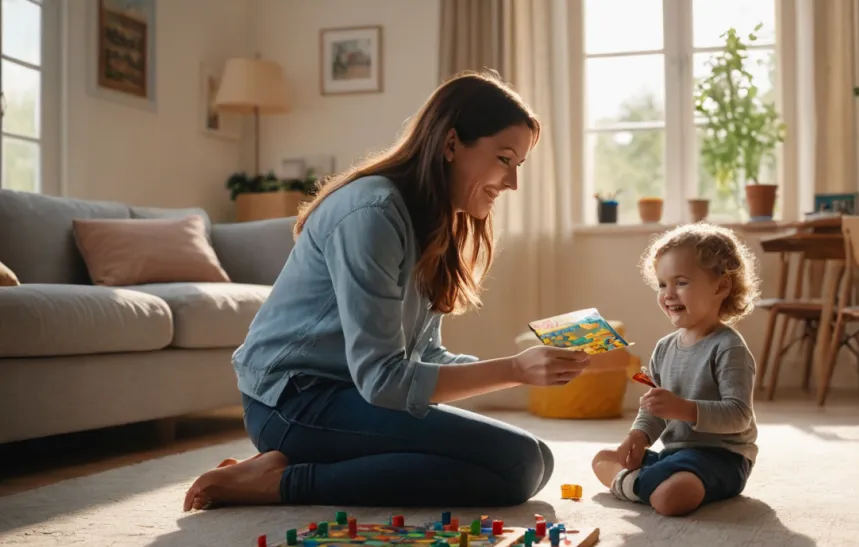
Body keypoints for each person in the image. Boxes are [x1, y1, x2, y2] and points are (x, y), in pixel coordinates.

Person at [183, 71, 592, 512]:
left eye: (518, 166)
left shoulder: (434, 221)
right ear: (451, 144)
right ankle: (282, 482)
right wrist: (514, 370)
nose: (512, 183)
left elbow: (424, 357)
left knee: (531, 460)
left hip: (351, 399)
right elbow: (384, 381)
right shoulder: (373, 213)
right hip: (293, 403)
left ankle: (280, 467)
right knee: (520, 463)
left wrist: (526, 366)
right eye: (504, 159)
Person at [591, 223, 761, 517]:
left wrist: (683, 409)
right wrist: (639, 436)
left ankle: (632, 485)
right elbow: (654, 408)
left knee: (672, 497)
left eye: (681, 282)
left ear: (720, 287)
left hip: (722, 458)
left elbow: (738, 415)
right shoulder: (664, 347)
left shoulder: (728, 347)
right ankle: (642, 483)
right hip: (675, 455)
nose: (668, 294)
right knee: (602, 458)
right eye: (661, 285)